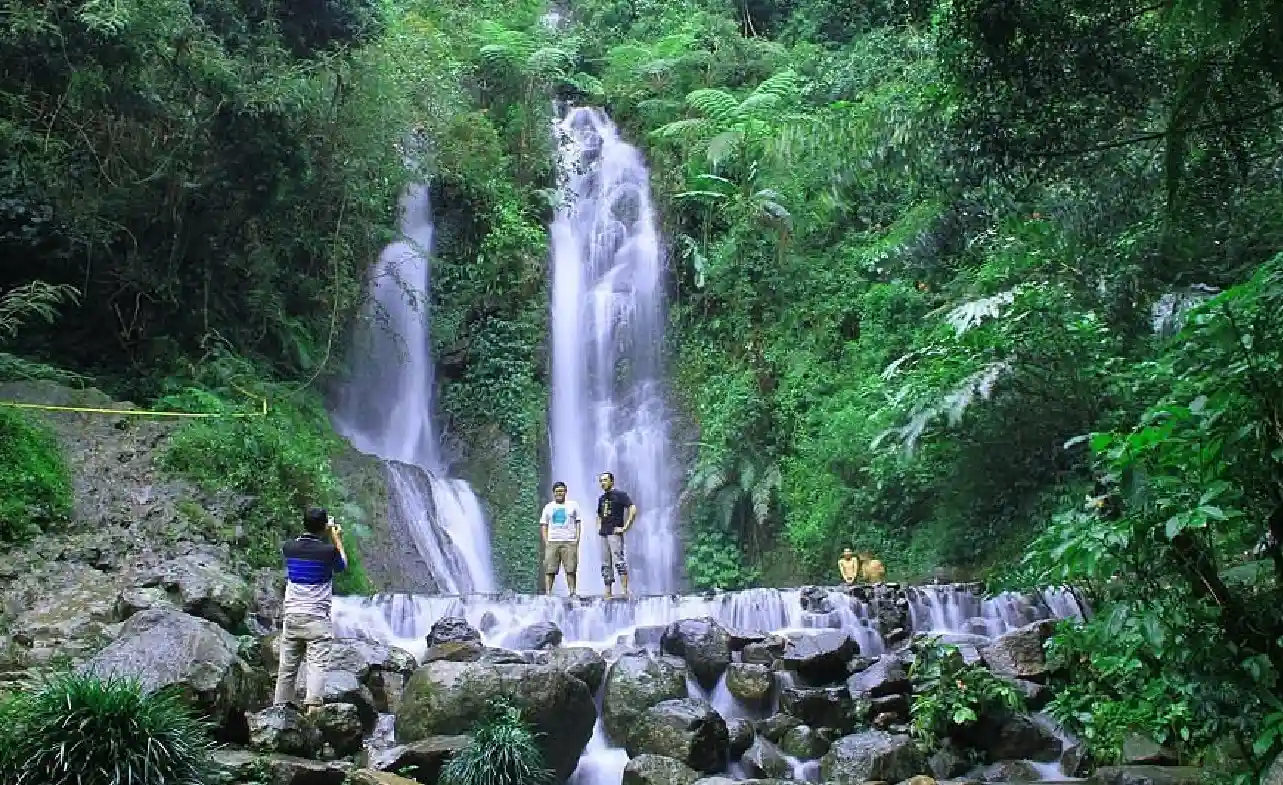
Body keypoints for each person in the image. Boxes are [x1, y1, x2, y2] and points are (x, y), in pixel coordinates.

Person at [273, 506, 348, 712]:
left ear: (303, 524)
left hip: (292, 616)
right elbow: (342, 565)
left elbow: (302, 548)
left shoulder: (289, 548)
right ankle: (313, 707)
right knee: (316, 664)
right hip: (316, 619)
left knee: (287, 667)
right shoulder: (328, 552)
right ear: (324, 527)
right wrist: (336, 537)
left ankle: (279, 708)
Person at [596, 471, 637, 598]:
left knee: (618, 560)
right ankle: (608, 591)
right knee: (605, 563)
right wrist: (598, 527)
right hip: (604, 533)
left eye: (605, 480)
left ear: (612, 481)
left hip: (614, 532)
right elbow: (598, 514)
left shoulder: (620, 495)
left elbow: (633, 508)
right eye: (601, 481)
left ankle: (625, 590)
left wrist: (625, 527)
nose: (603, 483)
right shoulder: (602, 498)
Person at [541, 481, 582, 596]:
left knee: (571, 569)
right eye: (557, 491)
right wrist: (546, 541)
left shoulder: (573, 505)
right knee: (550, 569)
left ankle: (572, 592)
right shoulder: (548, 507)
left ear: (565, 492)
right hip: (553, 541)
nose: (559, 493)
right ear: (553, 493)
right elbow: (544, 524)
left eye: (562, 491)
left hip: (569, 541)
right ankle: (548, 593)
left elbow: (578, 522)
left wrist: (577, 539)